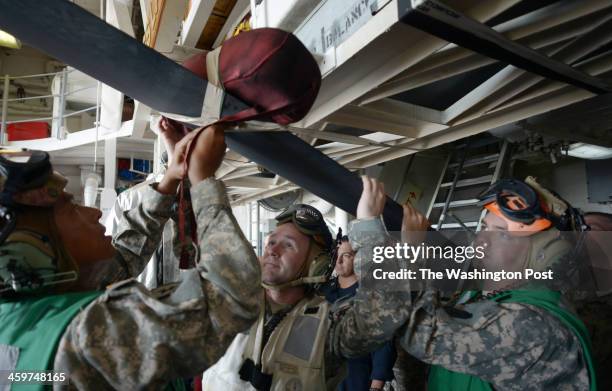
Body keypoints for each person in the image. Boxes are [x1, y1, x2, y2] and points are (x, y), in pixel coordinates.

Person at [0, 123, 262, 389]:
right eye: (73, 209)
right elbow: (231, 295)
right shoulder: (87, 339)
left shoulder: (20, 321)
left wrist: (170, 179)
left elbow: (121, 262)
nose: (94, 213)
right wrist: (203, 180)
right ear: (30, 249)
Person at [326, 176, 597, 390]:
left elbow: (405, 325)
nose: (482, 239)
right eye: (485, 227)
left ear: (543, 252)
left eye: (501, 234)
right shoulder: (478, 297)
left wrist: (374, 232)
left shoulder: (535, 324)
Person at [323, 236, 396, 391]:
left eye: (347, 255)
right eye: (337, 254)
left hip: (356, 376)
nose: (339, 260)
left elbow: (382, 343)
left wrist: (376, 386)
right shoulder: (324, 291)